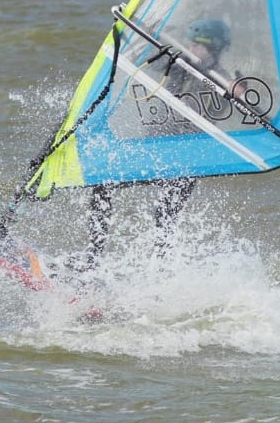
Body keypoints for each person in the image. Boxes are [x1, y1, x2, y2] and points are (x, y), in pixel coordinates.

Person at [79, 17, 231, 269]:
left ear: (215, 49)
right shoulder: (180, 65)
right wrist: (146, 33)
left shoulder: (224, 80)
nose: (193, 50)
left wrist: (237, 90)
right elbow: (143, 55)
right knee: (103, 185)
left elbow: (234, 100)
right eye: (191, 44)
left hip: (186, 157)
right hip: (155, 148)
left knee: (165, 214)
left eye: (200, 47)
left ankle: (160, 268)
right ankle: (93, 257)